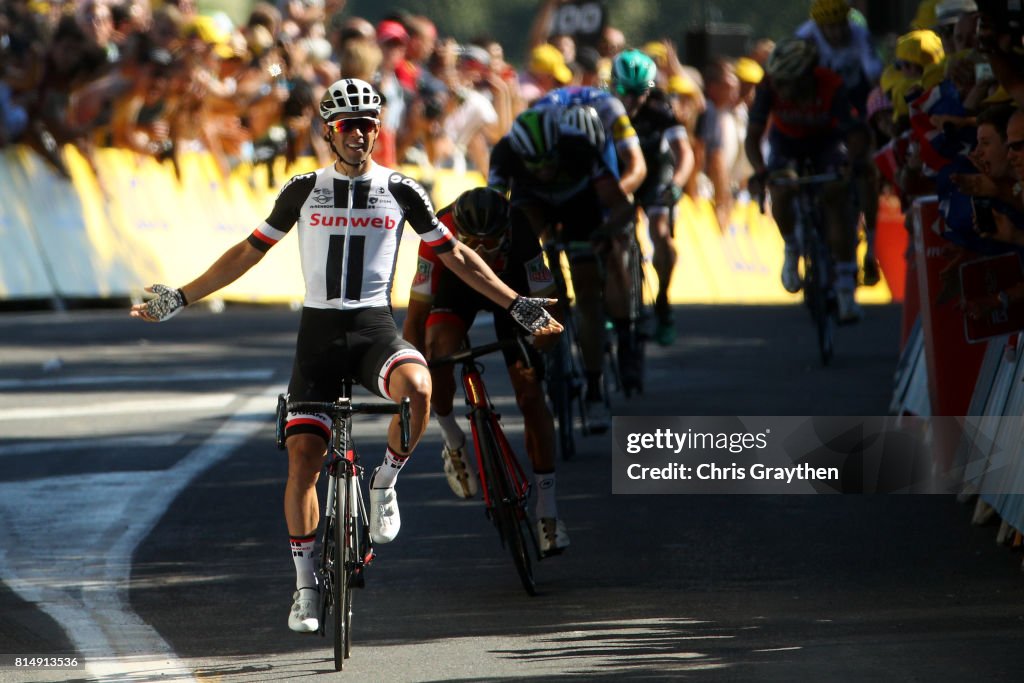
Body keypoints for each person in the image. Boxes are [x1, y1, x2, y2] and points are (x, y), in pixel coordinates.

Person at [129, 78, 561, 634]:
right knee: (303, 460)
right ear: (329, 132)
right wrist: (181, 297)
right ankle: (305, 587)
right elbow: (247, 252)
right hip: (319, 336)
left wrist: (516, 304)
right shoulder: (304, 188)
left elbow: (452, 253)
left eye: (368, 124)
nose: (359, 133)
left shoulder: (403, 188)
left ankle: (384, 484)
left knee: (422, 387)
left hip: (372, 329)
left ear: (379, 130)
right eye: (347, 125)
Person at [402, 187, 570, 556]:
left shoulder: (522, 232)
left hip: (512, 292)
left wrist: (540, 344)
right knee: (437, 352)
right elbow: (414, 320)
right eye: (471, 243)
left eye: (489, 242)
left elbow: (550, 306)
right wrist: (413, 370)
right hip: (454, 289)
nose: (479, 252)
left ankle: (548, 512)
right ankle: (453, 440)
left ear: (506, 234)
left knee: (529, 392)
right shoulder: (436, 233)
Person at [489, 107, 635, 422]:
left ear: (559, 146)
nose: (542, 169)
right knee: (519, 247)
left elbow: (621, 207)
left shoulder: (579, 146)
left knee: (586, 287)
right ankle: (538, 348)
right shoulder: (505, 153)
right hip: (533, 204)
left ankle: (594, 381)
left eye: (548, 161)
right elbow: (493, 208)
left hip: (579, 207)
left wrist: (604, 234)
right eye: (534, 163)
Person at [745, 38, 863, 322]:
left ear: (807, 76)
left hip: (827, 142)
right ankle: (791, 247)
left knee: (835, 197)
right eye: (779, 83)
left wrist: (852, 165)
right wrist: (761, 171)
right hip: (787, 143)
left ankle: (846, 290)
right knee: (782, 188)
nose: (783, 90)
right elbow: (752, 137)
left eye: (789, 84)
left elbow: (855, 134)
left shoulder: (831, 84)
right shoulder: (769, 85)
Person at [631, 86, 695, 346]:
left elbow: (684, 151)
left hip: (658, 174)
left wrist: (677, 183)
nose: (631, 100)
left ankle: (663, 300)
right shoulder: (609, 110)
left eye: (637, 94)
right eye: (624, 91)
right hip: (626, 173)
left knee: (660, 231)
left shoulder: (660, 111)